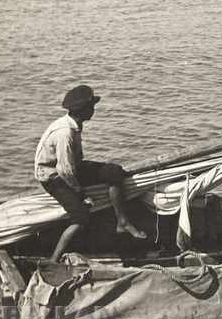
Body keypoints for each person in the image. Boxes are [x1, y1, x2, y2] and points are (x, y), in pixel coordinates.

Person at [34, 84, 146, 262]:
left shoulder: (74, 124)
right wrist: (80, 194)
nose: (93, 110)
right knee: (81, 217)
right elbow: (66, 171)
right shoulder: (66, 132)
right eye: (91, 107)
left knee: (114, 172)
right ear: (83, 110)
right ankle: (54, 260)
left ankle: (122, 222)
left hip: (70, 168)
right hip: (53, 176)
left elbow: (72, 165)